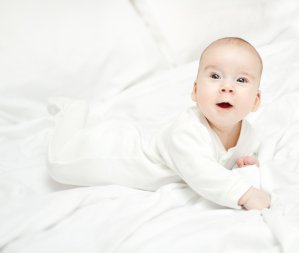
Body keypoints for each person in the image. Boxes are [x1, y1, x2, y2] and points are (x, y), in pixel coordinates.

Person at [47, 37, 271, 211]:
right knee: (60, 163)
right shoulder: (186, 131)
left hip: (136, 138)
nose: (226, 87)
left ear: (256, 101)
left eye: (241, 80)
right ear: (195, 91)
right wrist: (246, 193)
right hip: (114, 152)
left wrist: (248, 162)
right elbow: (203, 173)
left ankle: (89, 120)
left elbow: (237, 154)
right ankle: (73, 110)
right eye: (215, 76)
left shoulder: (249, 135)